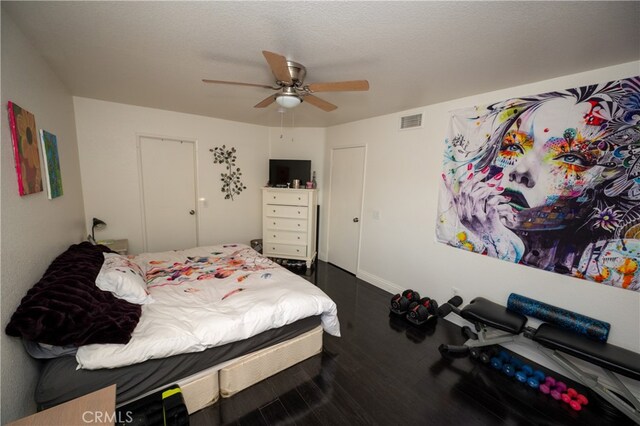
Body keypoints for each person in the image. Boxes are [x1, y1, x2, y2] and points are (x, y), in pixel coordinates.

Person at [437, 77, 640, 290]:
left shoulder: (617, 258)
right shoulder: (471, 217)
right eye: (513, 147)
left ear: (607, 173)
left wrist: (495, 238)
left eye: (569, 157)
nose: (520, 172)